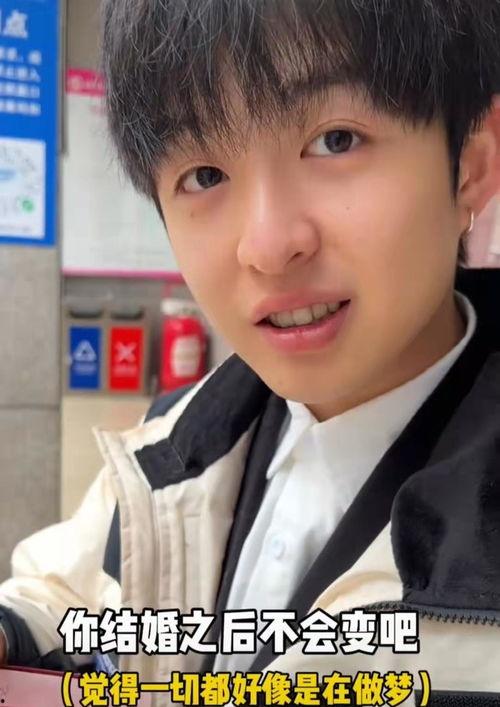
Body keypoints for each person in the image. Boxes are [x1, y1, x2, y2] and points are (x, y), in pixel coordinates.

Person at [2, 0, 500, 701]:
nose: (267, 246)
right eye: (204, 176)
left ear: (471, 164)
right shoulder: (177, 441)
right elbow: (62, 595)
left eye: (336, 140)